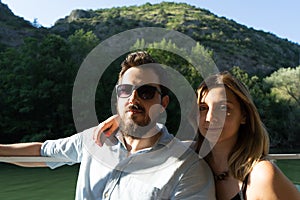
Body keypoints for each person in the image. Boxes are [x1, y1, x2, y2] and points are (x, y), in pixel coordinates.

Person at [0, 51, 216, 200]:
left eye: (146, 92)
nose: (133, 98)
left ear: (163, 103)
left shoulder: (186, 166)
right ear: (116, 97)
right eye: (125, 90)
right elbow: (41, 153)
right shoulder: (94, 140)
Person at [95, 71, 300, 200]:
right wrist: (124, 119)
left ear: (244, 116)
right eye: (203, 108)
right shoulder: (189, 155)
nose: (210, 117)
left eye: (223, 108)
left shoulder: (261, 176)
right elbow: (150, 139)